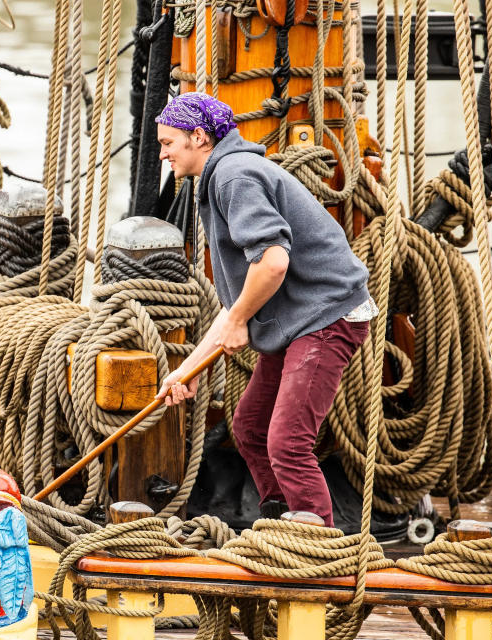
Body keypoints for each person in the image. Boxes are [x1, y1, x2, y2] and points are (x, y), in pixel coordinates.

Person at [154, 92, 377, 527]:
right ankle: (281, 524)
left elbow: (273, 263)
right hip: (300, 319)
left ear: (199, 137)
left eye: (168, 143)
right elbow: (240, 301)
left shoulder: (234, 176)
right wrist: (190, 369)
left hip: (327, 317)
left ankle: (317, 548)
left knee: (287, 441)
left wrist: (239, 320)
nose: (162, 154)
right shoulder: (226, 173)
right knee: (251, 429)